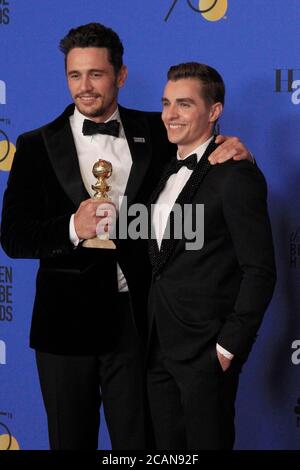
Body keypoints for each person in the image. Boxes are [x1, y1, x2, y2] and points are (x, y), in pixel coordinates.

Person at [0, 23, 251, 450]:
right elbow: (14, 237)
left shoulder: (157, 130)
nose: (84, 87)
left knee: (141, 447)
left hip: (138, 324)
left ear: (121, 75)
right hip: (64, 328)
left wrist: (235, 150)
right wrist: (71, 229)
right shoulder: (36, 144)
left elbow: (202, 151)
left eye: (96, 74)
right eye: (74, 75)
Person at [147, 62, 276, 450]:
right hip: (156, 349)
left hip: (205, 353)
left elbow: (260, 271)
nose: (171, 114)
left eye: (184, 104)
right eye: (167, 103)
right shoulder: (162, 169)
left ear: (214, 111)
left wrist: (227, 348)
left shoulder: (236, 173)